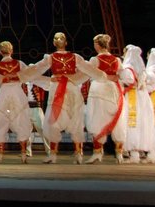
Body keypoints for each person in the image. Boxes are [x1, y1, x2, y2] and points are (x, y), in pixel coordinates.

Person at [24, 31, 105, 164]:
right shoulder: (75, 57)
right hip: (71, 88)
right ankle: (78, 153)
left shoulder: (51, 58)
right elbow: (89, 70)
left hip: (57, 89)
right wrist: (77, 78)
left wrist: (23, 76)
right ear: (66, 43)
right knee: (75, 118)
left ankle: (53, 154)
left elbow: (35, 70)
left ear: (54, 43)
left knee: (54, 120)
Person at [84, 33, 126, 164]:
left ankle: (97, 152)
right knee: (116, 118)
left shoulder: (94, 60)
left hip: (99, 89)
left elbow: (89, 74)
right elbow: (122, 75)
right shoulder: (117, 60)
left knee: (97, 118)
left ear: (97, 45)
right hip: (113, 89)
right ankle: (119, 153)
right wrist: (112, 77)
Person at [0, 41, 32, 163]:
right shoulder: (20, 64)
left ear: (0, 52)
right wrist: (16, 77)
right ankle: (23, 154)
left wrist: (4, 78)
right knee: (21, 119)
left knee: (1, 120)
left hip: (4, 92)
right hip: (17, 92)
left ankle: (0, 154)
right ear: (11, 51)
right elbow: (28, 75)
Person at [119, 44, 155, 164]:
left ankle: (134, 154)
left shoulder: (128, 68)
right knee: (142, 122)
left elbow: (127, 81)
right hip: (143, 97)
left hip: (132, 97)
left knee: (131, 123)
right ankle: (140, 153)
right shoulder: (142, 70)